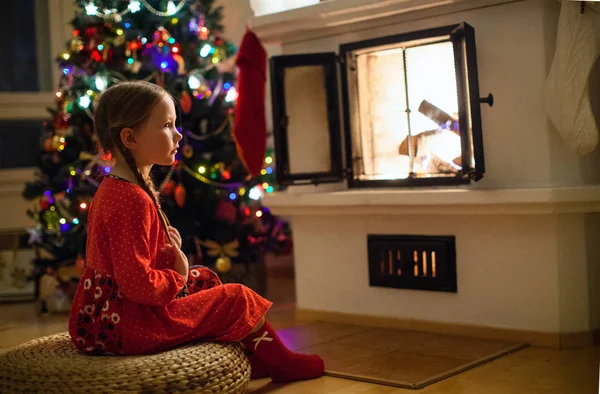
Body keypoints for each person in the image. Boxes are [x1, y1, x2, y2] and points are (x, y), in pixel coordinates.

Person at [68, 81, 324, 383]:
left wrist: (164, 252)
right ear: (130, 137)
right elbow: (137, 284)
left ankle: (258, 357)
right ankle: (283, 363)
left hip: (107, 314)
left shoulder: (119, 188)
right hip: (121, 323)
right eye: (166, 125)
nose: (178, 134)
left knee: (205, 280)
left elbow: (124, 265)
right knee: (236, 298)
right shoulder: (130, 199)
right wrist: (178, 271)